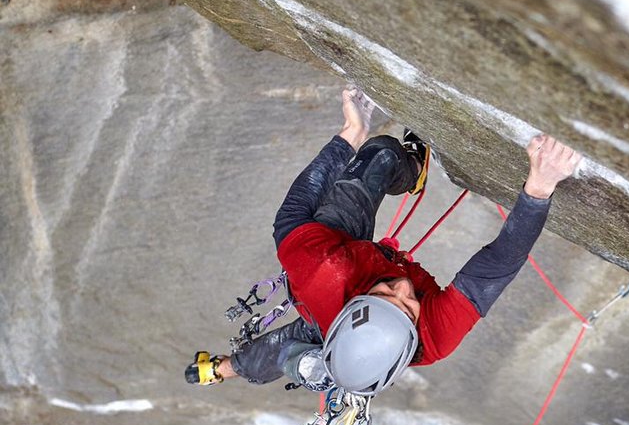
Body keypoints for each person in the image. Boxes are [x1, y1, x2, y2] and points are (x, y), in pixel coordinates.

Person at [186, 85, 582, 396]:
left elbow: (291, 215)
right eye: (409, 308)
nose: (404, 287)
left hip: (342, 259)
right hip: (344, 294)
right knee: (276, 354)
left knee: (381, 152)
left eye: (385, 295)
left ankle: (222, 368)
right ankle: (235, 369)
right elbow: (498, 264)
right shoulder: (434, 339)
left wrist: (349, 135)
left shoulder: (324, 269)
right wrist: (539, 187)